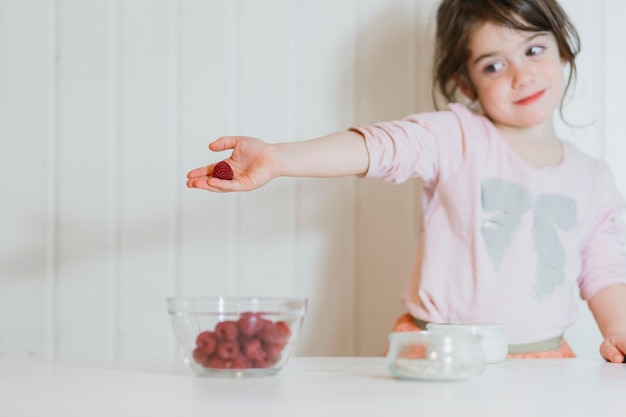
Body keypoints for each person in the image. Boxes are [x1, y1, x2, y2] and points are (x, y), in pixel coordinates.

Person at [186, 0, 626, 363]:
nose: (521, 75)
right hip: (434, 353)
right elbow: (379, 147)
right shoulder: (455, 137)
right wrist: (279, 158)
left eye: (534, 50)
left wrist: (619, 330)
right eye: (493, 65)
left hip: (543, 361)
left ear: (563, 49)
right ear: (466, 84)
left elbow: (604, 272)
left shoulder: (594, 177)